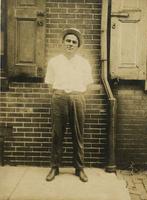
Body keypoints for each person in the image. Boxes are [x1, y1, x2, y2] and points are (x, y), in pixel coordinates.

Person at [45, 28, 93, 182]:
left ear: (78, 46)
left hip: (77, 98)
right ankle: (54, 167)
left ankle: (79, 169)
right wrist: (59, 95)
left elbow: (87, 84)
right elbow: (50, 84)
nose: (71, 44)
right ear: (62, 42)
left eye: (74, 42)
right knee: (57, 134)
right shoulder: (54, 61)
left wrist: (75, 96)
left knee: (78, 134)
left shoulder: (84, 63)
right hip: (59, 97)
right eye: (68, 41)